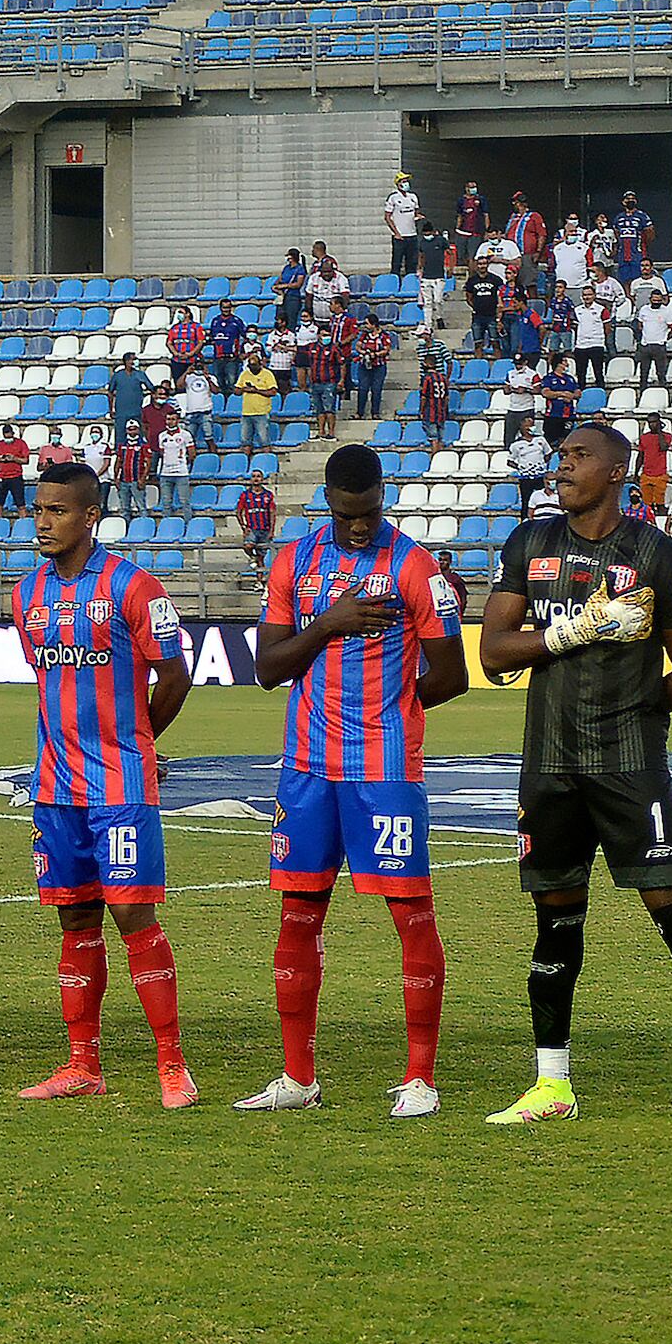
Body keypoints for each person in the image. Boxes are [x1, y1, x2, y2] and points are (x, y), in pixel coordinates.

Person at [478, 422, 672, 1130]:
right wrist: (574, 630)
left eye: (577, 457)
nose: (562, 467)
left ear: (618, 470)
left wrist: (636, 711)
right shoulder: (527, 544)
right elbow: (494, 652)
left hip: (628, 766)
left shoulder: (658, 555)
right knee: (554, 920)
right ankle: (551, 1081)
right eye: (560, 457)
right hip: (549, 765)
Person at [241, 445, 468, 1117]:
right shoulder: (294, 561)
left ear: (382, 499)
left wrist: (389, 710)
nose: (361, 525)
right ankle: (297, 1076)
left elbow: (451, 673)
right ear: (330, 502)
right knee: (297, 913)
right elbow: (268, 667)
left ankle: (421, 1078)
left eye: (369, 512)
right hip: (307, 765)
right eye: (348, 514)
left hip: (385, 769)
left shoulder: (414, 567)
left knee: (410, 914)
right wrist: (331, 622)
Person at [14, 463, 197, 1107]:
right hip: (54, 787)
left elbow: (173, 674)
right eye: (38, 509)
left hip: (119, 783)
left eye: (57, 510)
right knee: (74, 916)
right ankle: (81, 1065)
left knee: (132, 914)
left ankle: (172, 1065)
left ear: (90, 516)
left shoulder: (134, 587)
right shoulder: (26, 593)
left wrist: (137, 741)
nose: (42, 520)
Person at [297, 321, 340, 439]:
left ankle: (331, 432)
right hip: (315, 382)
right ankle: (321, 431)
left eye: (327, 335)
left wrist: (340, 381)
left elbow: (342, 364)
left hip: (329, 382)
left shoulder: (334, 349)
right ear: (318, 336)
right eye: (323, 335)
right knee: (319, 409)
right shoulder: (311, 347)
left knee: (329, 409)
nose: (325, 337)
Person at [234, 469, 277, 576]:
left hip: (265, 529)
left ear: (262, 479)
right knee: (248, 546)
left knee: (261, 558)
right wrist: (243, 527)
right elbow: (239, 512)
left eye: (258, 476)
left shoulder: (268, 495)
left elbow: (272, 513)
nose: (256, 478)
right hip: (252, 528)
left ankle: (259, 582)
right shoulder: (245, 495)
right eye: (254, 476)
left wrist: (272, 530)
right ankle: (252, 558)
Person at [352, 314, 394, 421]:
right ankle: (359, 412)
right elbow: (358, 346)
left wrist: (375, 354)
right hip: (364, 365)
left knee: (376, 389)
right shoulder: (364, 335)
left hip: (378, 366)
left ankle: (375, 412)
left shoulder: (384, 336)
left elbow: (386, 349)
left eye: (367, 323)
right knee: (362, 388)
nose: (365, 326)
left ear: (373, 324)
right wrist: (363, 352)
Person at [238, 349, 279, 451]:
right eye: (251, 366)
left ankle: (267, 460)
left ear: (260, 364)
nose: (253, 368)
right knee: (245, 442)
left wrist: (256, 390)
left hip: (261, 412)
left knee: (264, 441)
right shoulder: (245, 374)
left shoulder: (267, 374)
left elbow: (273, 392)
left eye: (255, 366)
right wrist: (244, 389)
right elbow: (236, 390)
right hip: (246, 412)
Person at [205, 302, 248, 397]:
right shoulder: (215, 321)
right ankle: (222, 405)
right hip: (218, 357)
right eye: (224, 307)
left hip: (232, 358)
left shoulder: (236, 321)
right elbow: (212, 337)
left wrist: (240, 351)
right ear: (220, 308)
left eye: (228, 307)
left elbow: (245, 337)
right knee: (218, 383)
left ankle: (231, 404)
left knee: (232, 382)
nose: (226, 310)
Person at [507, 417, 551, 509]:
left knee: (542, 498)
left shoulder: (540, 440)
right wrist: (521, 467)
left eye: (531, 425)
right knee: (526, 500)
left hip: (540, 475)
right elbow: (510, 461)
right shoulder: (516, 444)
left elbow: (548, 453)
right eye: (527, 426)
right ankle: (526, 519)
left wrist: (541, 464)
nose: (529, 428)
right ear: (522, 427)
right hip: (526, 477)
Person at [112, 421, 153, 517]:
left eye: (134, 429)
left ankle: (144, 527)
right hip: (123, 480)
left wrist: (143, 479)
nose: (132, 431)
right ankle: (125, 527)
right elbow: (118, 461)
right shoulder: (122, 445)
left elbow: (148, 463)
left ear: (138, 430)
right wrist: (116, 477)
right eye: (130, 429)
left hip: (136, 480)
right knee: (124, 508)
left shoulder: (143, 445)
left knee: (141, 507)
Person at [539, 354, 581, 449]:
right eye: (565, 361)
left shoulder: (570, 378)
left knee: (567, 442)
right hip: (553, 415)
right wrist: (562, 394)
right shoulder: (548, 378)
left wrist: (572, 396)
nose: (567, 364)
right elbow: (545, 393)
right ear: (558, 363)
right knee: (551, 443)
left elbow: (578, 393)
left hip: (568, 415)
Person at [384, 173, 421, 277]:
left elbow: (416, 213)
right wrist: (396, 233)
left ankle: (410, 282)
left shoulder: (413, 197)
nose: (406, 183)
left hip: (412, 234)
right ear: (398, 184)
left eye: (406, 181)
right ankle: (395, 282)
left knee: (412, 262)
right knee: (397, 262)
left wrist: (418, 217)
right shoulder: (393, 197)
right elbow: (387, 217)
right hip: (400, 236)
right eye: (403, 181)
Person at [156, 415, 195, 512]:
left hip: (181, 473)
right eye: (168, 419)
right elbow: (162, 453)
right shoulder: (162, 436)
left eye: (173, 419)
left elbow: (192, 453)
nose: (170, 422)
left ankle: (188, 524)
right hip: (165, 474)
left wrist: (183, 463)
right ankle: (166, 524)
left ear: (178, 421)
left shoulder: (185, 434)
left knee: (185, 502)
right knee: (166, 502)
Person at [0, 423, 32, 511]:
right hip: (1, 477)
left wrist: (14, 458)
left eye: (9, 435)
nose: (8, 438)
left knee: (21, 505)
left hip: (15, 477)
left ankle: (23, 522)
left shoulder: (21, 443)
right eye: (6, 436)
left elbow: (26, 460)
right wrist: (0, 459)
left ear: (13, 433)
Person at [164, 305, 205, 389]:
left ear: (188, 314)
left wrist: (191, 353)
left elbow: (200, 342)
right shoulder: (174, 328)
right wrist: (176, 353)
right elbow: (169, 342)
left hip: (192, 360)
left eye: (181, 312)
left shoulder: (196, 327)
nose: (179, 315)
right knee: (179, 385)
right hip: (177, 361)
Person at [637, 415, 672, 510]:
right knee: (646, 505)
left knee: (660, 504)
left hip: (660, 474)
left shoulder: (667, 436)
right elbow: (640, 455)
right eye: (650, 422)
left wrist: (659, 431)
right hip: (646, 474)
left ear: (659, 422)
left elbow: (663, 447)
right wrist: (636, 472)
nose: (652, 425)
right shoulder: (644, 437)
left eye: (654, 422)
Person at [276, 248, 308, 326]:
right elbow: (279, 279)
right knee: (280, 318)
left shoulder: (299, 269)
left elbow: (298, 284)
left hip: (293, 297)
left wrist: (284, 286)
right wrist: (276, 286)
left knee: (291, 320)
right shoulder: (286, 268)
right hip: (283, 296)